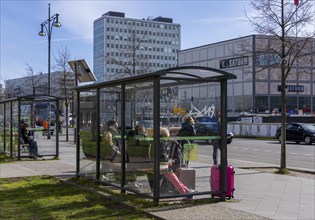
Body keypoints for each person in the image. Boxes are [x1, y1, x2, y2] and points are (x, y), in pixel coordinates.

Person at [160, 127, 195, 196]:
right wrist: (169, 161)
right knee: (175, 180)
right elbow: (162, 155)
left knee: (174, 180)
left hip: (161, 165)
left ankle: (186, 191)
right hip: (163, 165)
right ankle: (185, 193)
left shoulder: (159, 141)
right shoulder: (162, 143)